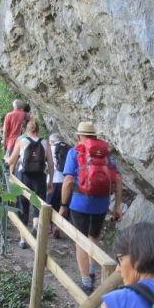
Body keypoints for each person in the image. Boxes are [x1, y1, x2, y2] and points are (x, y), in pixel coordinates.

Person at [59, 121, 122, 294]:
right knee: (93, 236)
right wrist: (117, 206)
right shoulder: (107, 154)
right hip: (101, 203)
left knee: (80, 241)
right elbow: (117, 180)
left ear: (79, 135)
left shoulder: (75, 152)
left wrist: (63, 205)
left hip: (79, 203)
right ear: (94, 136)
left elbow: (68, 181)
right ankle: (92, 268)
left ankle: (86, 281)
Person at [6, 117, 54, 248]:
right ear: (38, 129)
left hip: (24, 176)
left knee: (23, 206)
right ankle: (35, 228)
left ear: (26, 130)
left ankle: (23, 240)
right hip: (40, 176)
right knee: (38, 205)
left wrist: (5, 159)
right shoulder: (45, 142)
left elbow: (11, 161)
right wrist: (50, 181)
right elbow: (50, 163)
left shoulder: (21, 140)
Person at [48, 133, 69, 238]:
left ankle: (48, 227)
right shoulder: (69, 149)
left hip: (53, 181)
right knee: (62, 206)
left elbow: (47, 166)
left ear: (51, 141)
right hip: (66, 183)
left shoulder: (50, 148)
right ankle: (58, 228)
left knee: (49, 205)